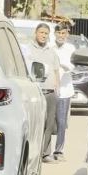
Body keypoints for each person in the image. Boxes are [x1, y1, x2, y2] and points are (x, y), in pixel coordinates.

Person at [27, 23, 60, 162]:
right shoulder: (28, 49)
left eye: (46, 33)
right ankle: (32, 153)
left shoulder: (51, 52)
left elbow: (56, 71)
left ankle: (45, 154)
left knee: (49, 124)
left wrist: (57, 86)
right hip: (35, 92)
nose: (43, 35)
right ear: (36, 33)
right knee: (35, 123)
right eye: (41, 32)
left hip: (50, 92)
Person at [53, 23, 76, 161]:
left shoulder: (71, 48)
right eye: (59, 33)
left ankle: (59, 151)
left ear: (67, 34)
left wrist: (61, 64)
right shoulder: (50, 47)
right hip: (50, 89)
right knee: (48, 122)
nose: (61, 36)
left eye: (63, 33)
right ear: (54, 33)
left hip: (64, 90)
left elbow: (72, 66)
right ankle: (45, 151)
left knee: (61, 122)